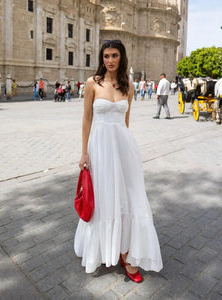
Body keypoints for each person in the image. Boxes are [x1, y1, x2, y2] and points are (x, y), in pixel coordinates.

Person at [74, 40, 163, 283]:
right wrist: (84, 153)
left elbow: (125, 121)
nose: (110, 60)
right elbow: (86, 120)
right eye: (106, 56)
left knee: (130, 196)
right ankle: (105, 249)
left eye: (114, 55)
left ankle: (127, 252)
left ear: (121, 58)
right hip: (99, 147)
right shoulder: (93, 82)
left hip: (124, 149)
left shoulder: (130, 86)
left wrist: (124, 149)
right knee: (103, 197)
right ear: (102, 58)